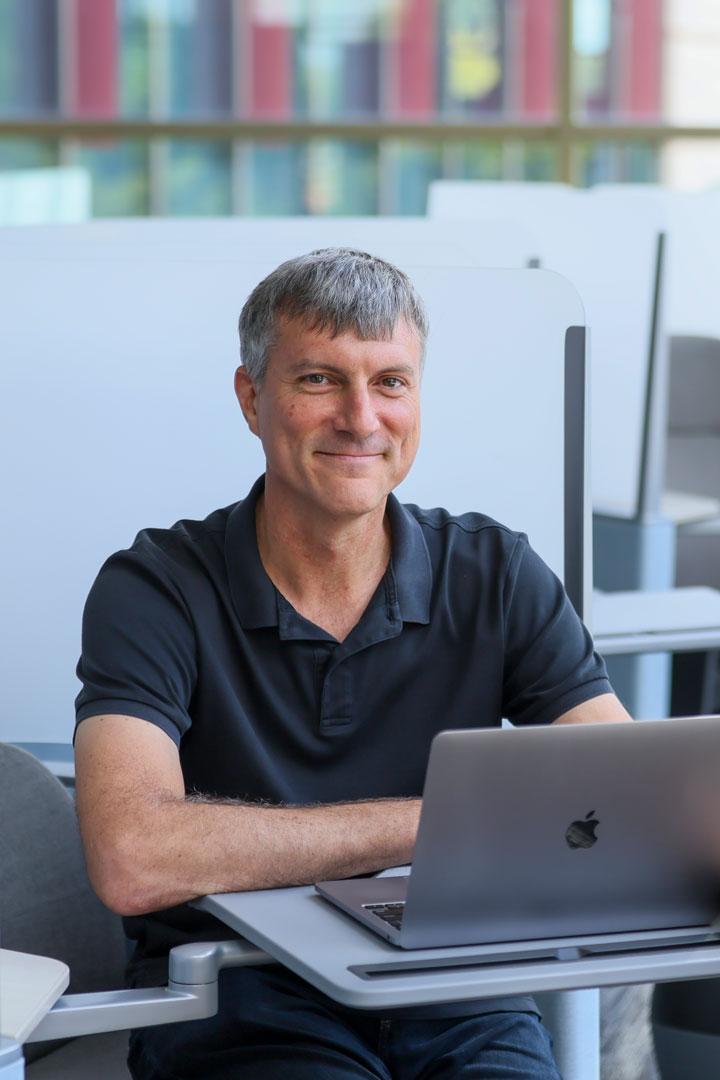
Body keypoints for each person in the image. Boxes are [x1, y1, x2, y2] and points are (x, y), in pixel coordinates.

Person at [74, 248, 630, 1079]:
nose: (361, 418)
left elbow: (622, 797)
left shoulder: (497, 572)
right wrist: (439, 822)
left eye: (392, 382)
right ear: (251, 397)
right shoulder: (154, 587)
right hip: (239, 997)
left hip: (461, 991)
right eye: (320, 380)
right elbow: (134, 857)